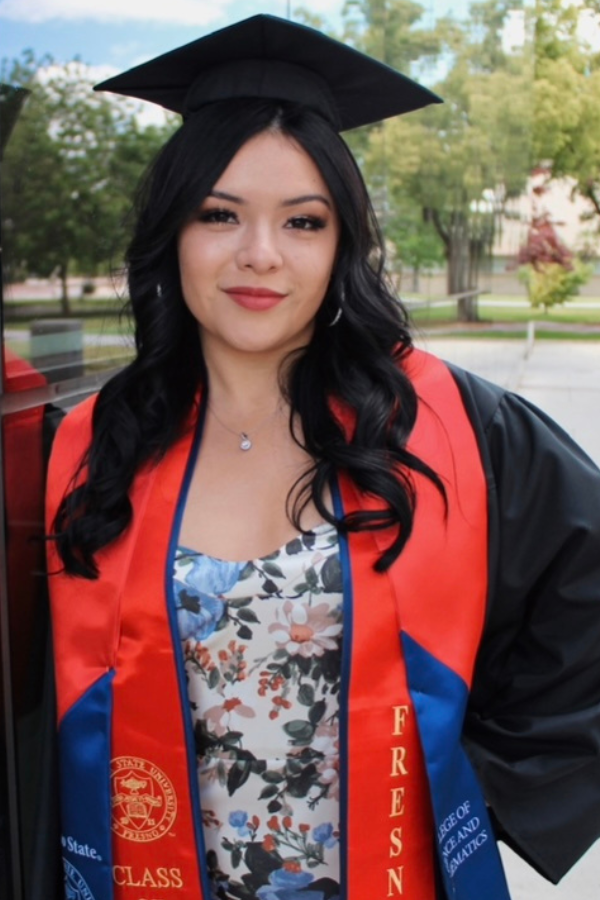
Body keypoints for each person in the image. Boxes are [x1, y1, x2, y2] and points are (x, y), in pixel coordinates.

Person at [45, 15, 600, 900]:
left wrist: (474, 786)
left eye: (303, 221)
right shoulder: (92, 445)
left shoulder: (444, 423)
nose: (259, 255)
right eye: (218, 214)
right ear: (171, 235)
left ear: (341, 244)